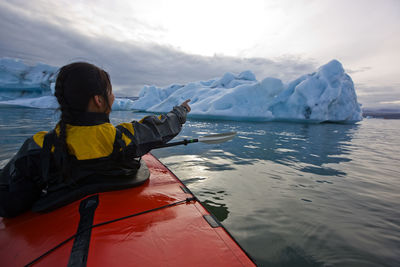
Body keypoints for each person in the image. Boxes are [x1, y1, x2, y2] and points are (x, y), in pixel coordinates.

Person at [0, 62, 191, 218]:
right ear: (99, 100)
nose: (114, 96)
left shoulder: (38, 145)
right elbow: (161, 127)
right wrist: (180, 111)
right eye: (110, 92)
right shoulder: (123, 137)